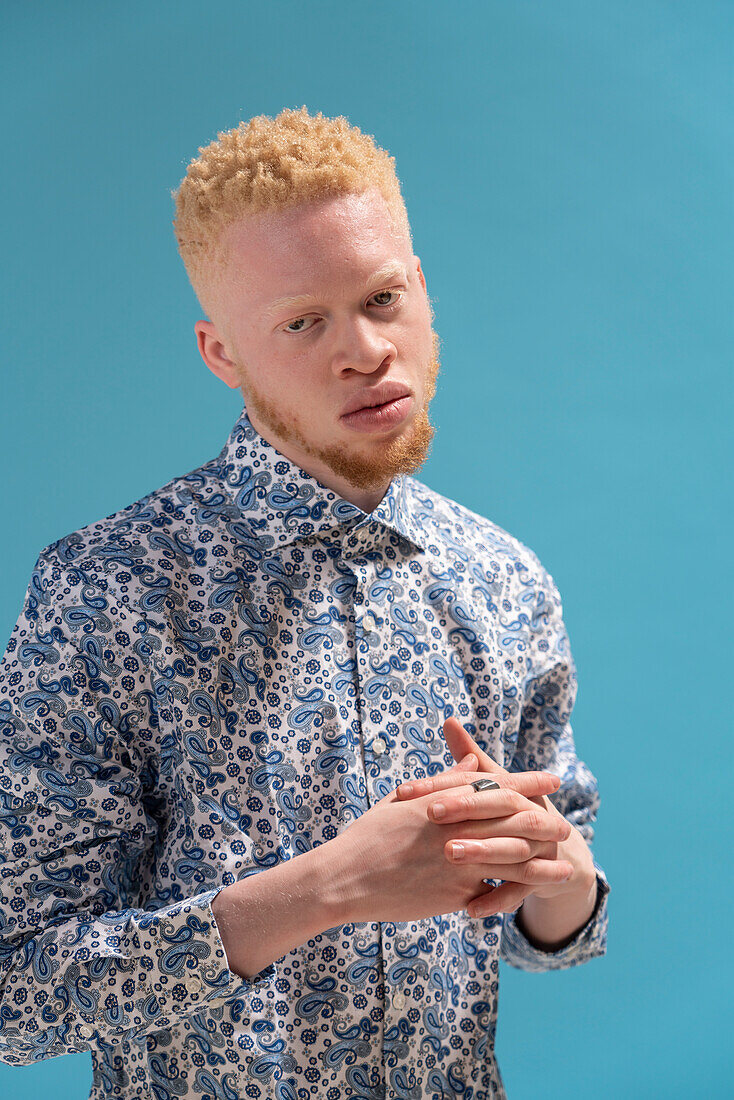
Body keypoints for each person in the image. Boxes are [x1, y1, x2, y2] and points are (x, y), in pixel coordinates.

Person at [0, 106, 610, 1099]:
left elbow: (548, 932)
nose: (364, 351)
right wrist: (328, 887)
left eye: (381, 297)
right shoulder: (102, 592)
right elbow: (13, 990)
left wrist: (559, 877)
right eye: (302, 320)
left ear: (421, 291)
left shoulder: (502, 578)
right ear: (219, 352)